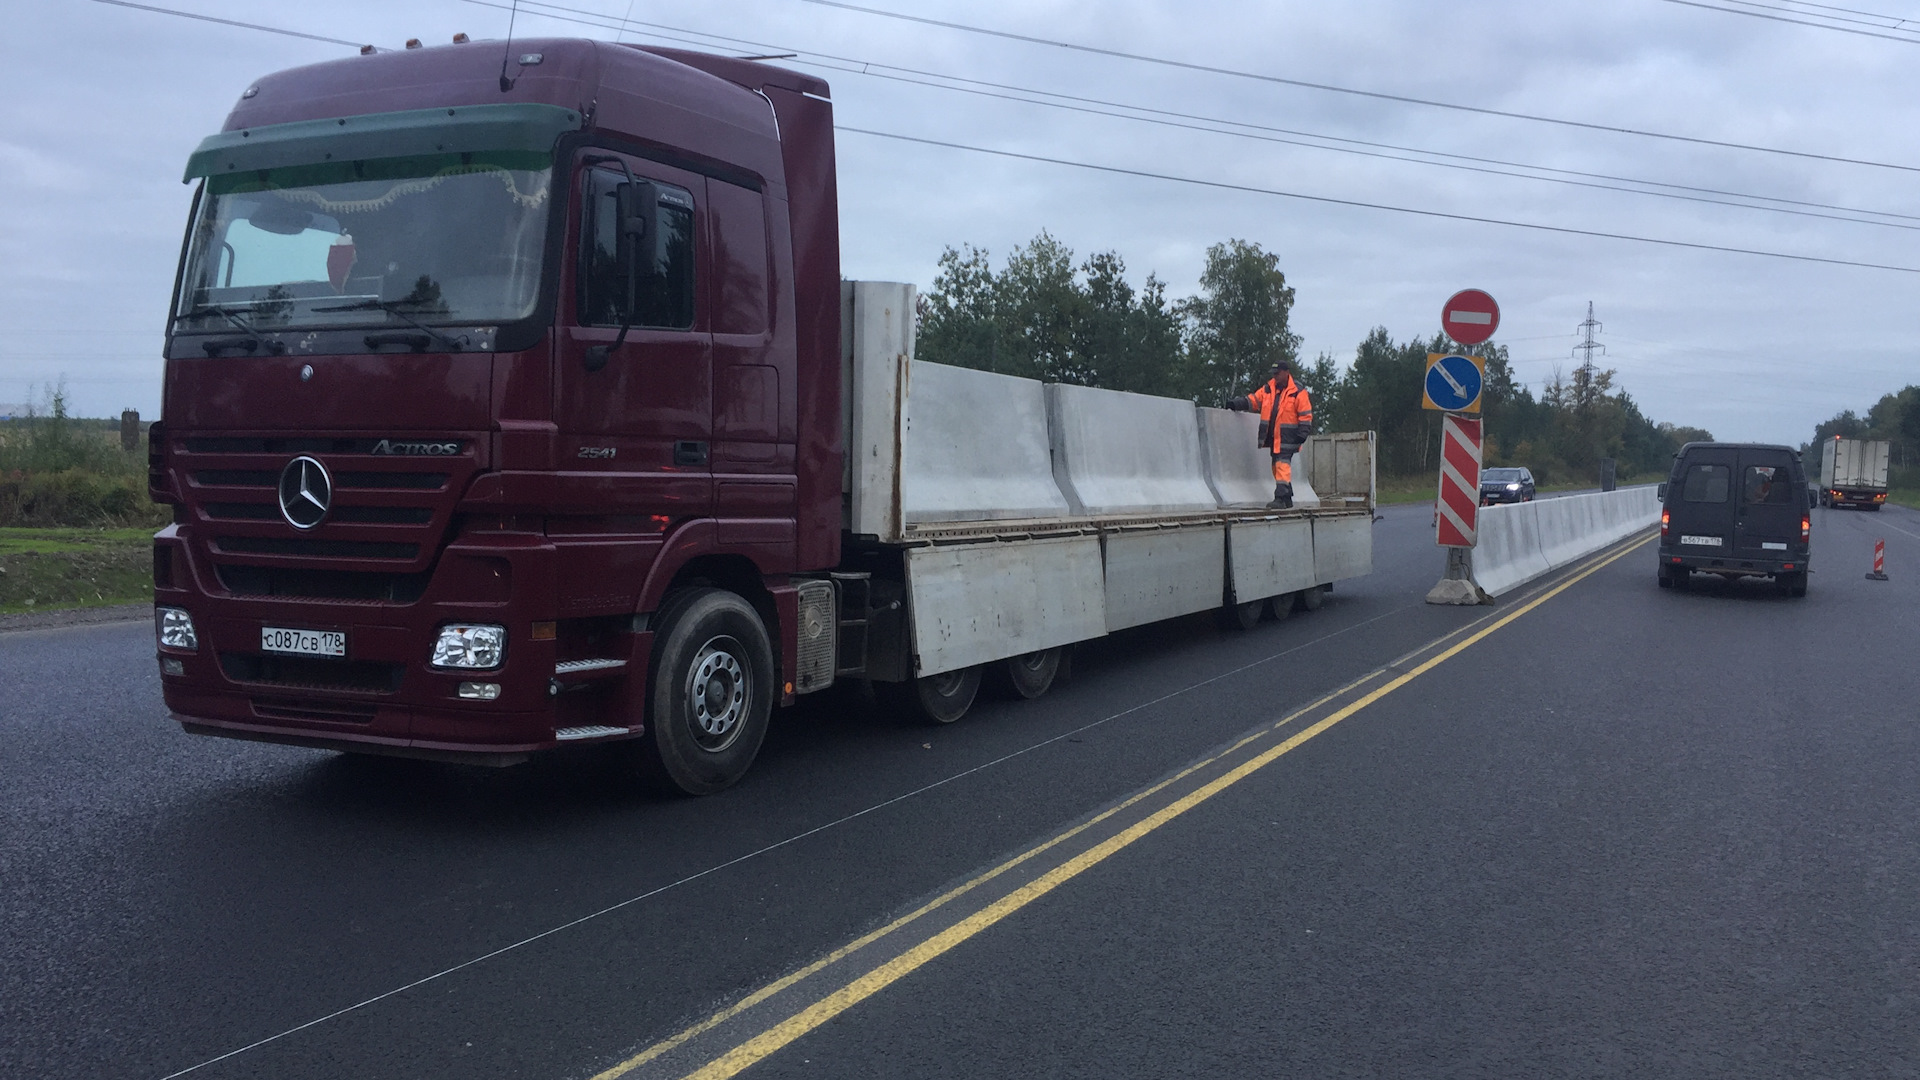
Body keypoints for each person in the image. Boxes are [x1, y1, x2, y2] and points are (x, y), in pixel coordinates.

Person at [1228, 359, 1314, 508]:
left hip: (1289, 437)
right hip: (1274, 436)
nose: (1275, 376)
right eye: (1273, 374)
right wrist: (1236, 404)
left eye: (1278, 373)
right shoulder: (1269, 389)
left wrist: (1303, 432)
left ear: (1286, 373)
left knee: (1281, 464)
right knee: (1276, 465)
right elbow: (1254, 400)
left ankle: (1280, 497)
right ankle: (1286, 497)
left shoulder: (1298, 392)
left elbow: (1305, 414)